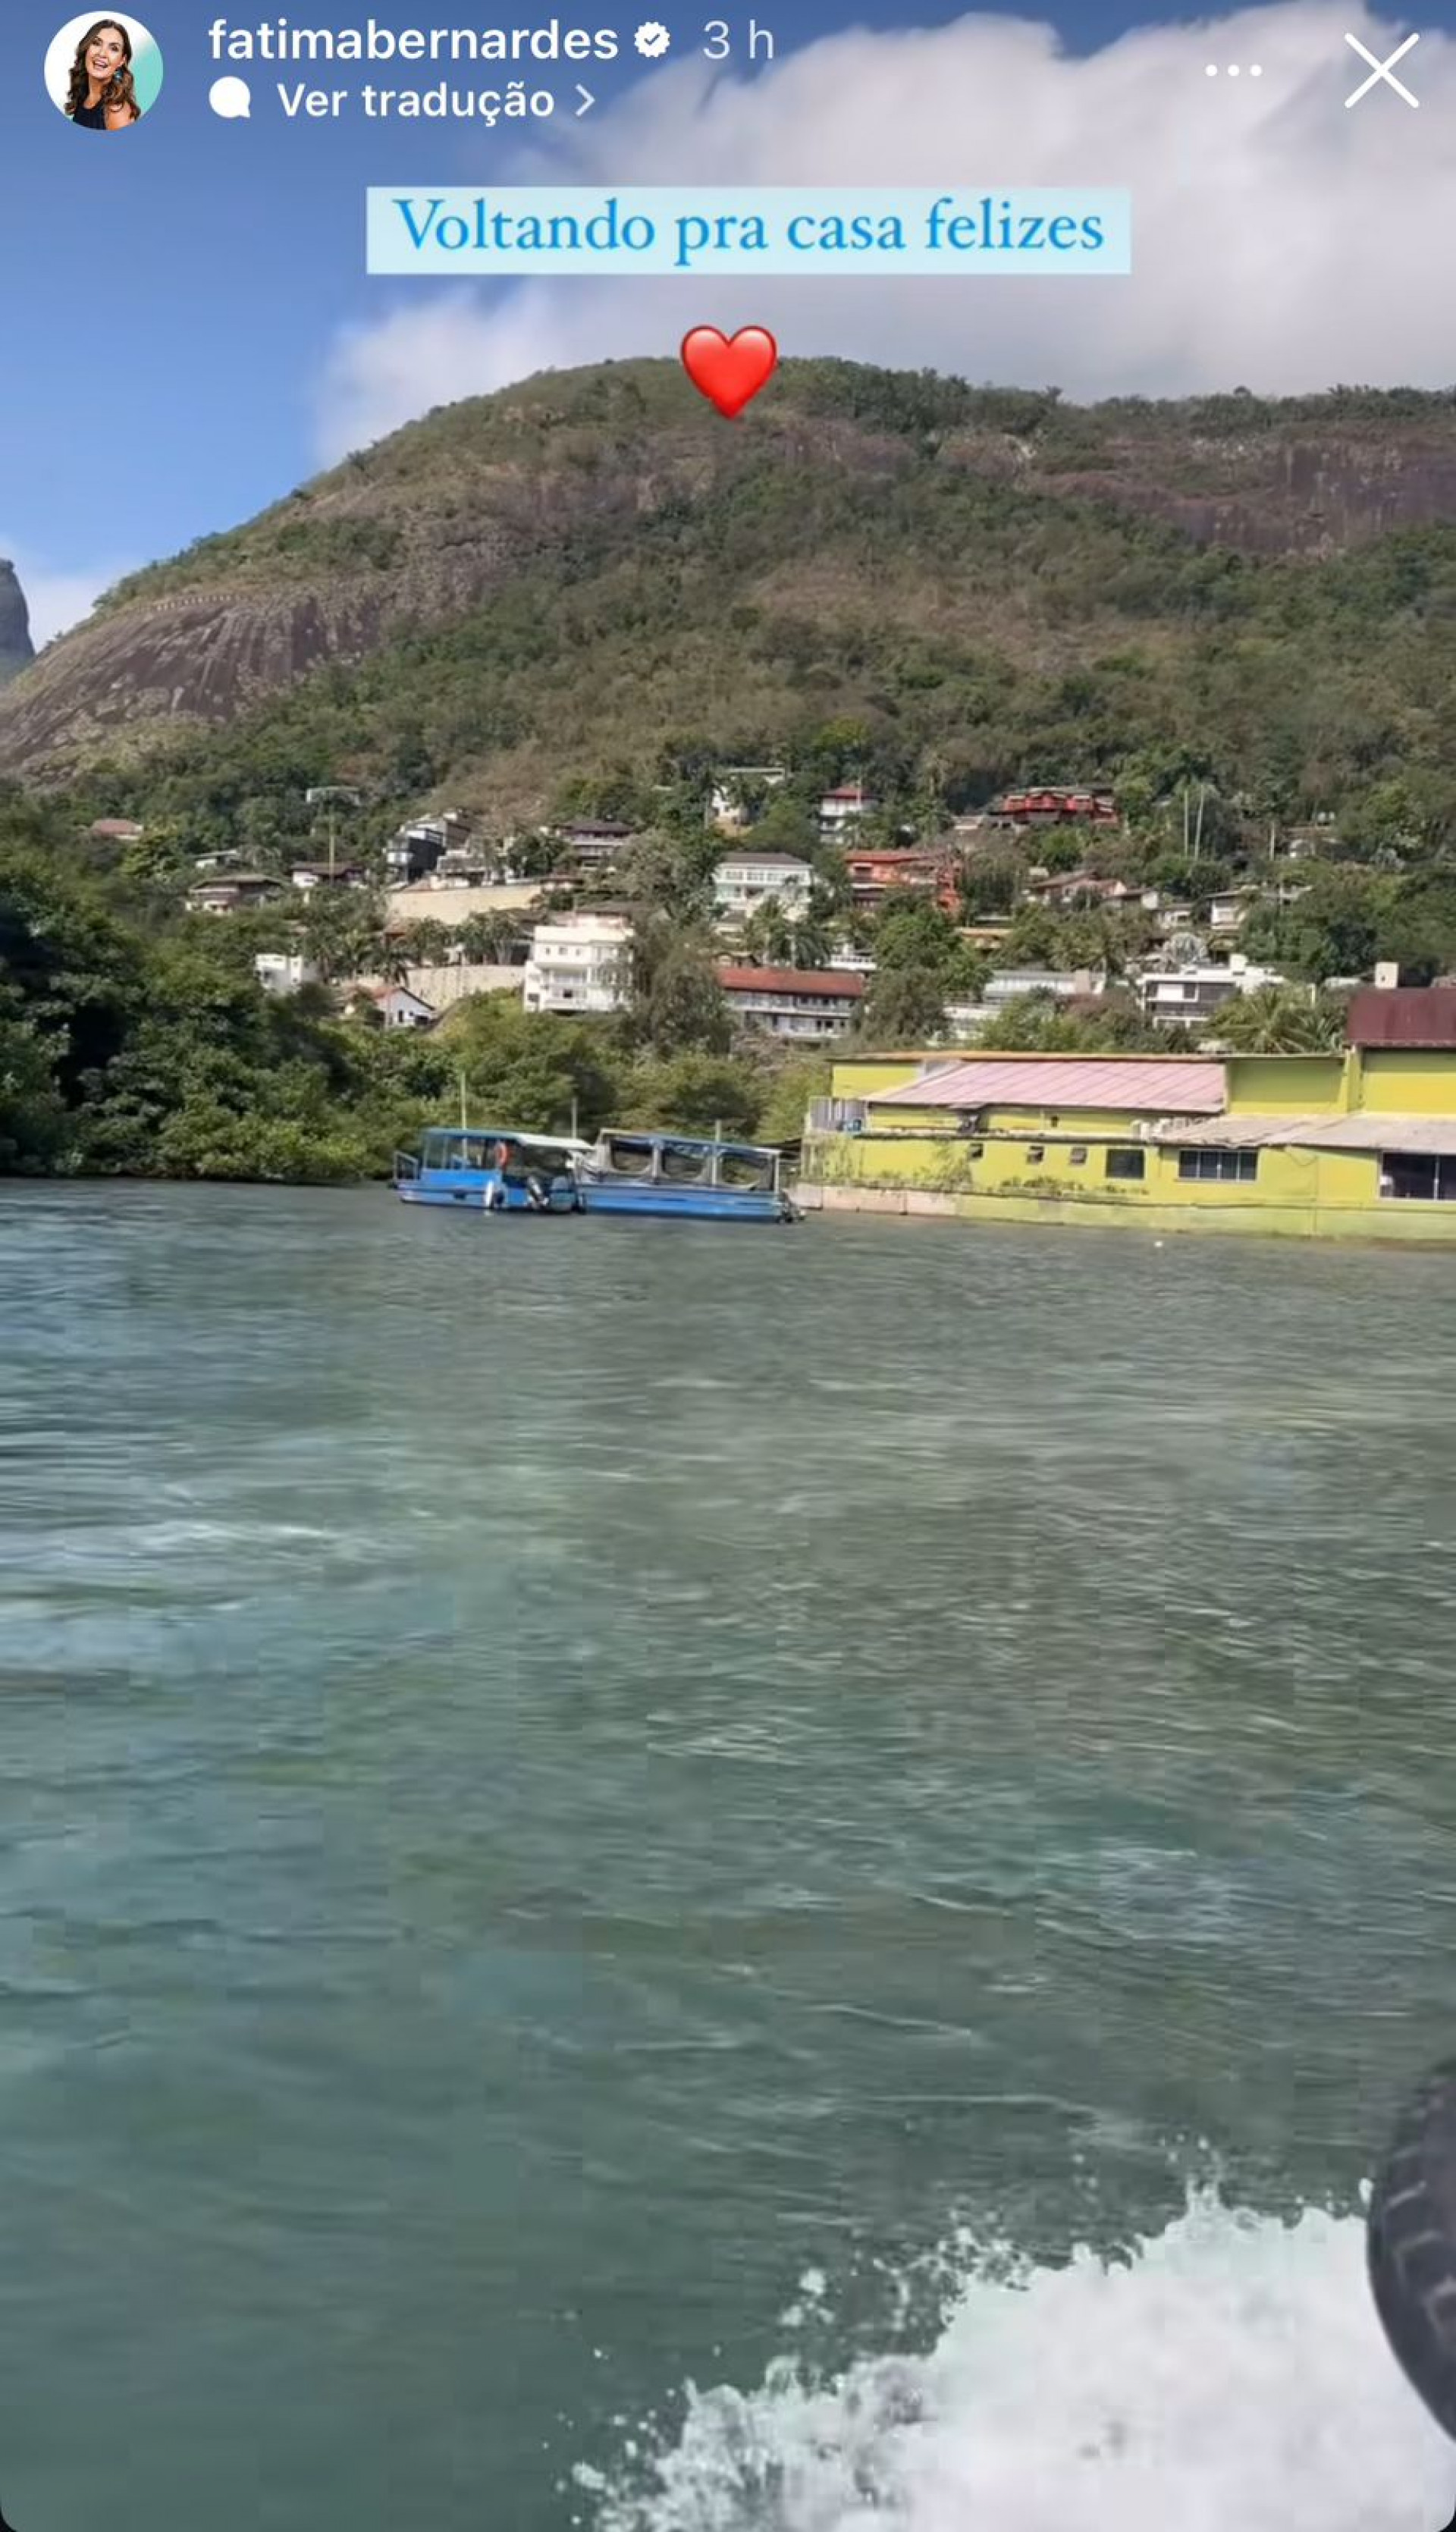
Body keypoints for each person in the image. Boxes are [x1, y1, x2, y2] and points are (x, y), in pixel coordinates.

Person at [65, 20, 142, 129]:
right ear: (86, 49)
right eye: (96, 43)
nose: (102, 53)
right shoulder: (83, 98)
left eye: (114, 49)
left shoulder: (116, 110)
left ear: (121, 61)